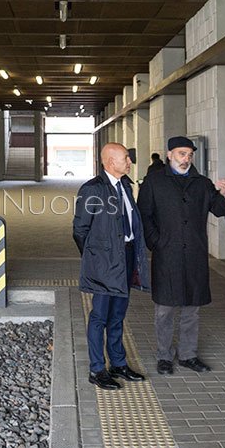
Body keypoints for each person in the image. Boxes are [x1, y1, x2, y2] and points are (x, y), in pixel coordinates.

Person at [137, 136, 225, 375]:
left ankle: (188, 355)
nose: (186, 159)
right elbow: (144, 215)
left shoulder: (202, 183)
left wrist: (223, 193)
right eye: (181, 154)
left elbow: (220, 210)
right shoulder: (154, 182)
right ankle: (164, 356)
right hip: (166, 253)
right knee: (165, 309)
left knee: (192, 309)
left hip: (194, 255)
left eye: (189, 155)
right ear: (169, 154)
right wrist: (156, 242)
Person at [74, 143, 151, 390]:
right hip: (104, 263)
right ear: (110, 162)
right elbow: (80, 230)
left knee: (118, 315)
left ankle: (118, 364)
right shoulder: (92, 189)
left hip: (125, 258)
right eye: (125, 158)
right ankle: (97, 369)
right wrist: (95, 258)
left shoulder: (125, 185)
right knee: (99, 316)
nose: (129, 162)